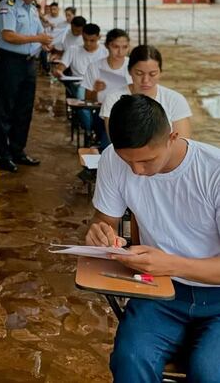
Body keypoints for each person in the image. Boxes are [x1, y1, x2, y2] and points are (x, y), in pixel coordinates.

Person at [85, 94, 220, 383]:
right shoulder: (113, 159)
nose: (136, 171)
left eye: (147, 160)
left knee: (209, 372)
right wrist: (100, 232)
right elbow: (103, 220)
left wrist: (170, 264)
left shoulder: (213, 171)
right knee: (130, 358)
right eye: (127, 161)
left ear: (173, 137)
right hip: (159, 290)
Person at [0, 0, 54, 173]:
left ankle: (18, 150)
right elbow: (8, 36)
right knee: (4, 109)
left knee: (24, 109)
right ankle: (2, 154)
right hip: (9, 62)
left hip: (28, 63)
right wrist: (37, 39)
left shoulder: (31, 8)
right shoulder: (7, 6)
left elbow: (37, 33)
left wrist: (43, 44)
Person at [101, 45, 192, 138]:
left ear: (160, 72)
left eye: (152, 74)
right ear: (129, 71)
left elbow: (182, 142)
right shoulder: (114, 99)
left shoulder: (175, 100)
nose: (145, 80)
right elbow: (116, 141)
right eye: (139, 73)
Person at [81, 28, 131, 149]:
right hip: (102, 113)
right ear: (107, 46)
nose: (120, 52)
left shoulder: (133, 67)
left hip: (128, 114)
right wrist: (95, 90)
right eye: (115, 47)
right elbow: (87, 99)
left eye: (125, 47)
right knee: (109, 138)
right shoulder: (94, 67)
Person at [53, 23, 107, 96]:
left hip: (99, 85)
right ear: (82, 35)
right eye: (85, 39)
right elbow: (60, 68)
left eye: (92, 40)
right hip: (79, 85)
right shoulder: (73, 50)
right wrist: (58, 72)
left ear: (99, 37)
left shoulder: (105, 52)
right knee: (83, 92)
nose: (88, 43)